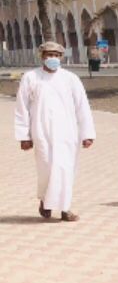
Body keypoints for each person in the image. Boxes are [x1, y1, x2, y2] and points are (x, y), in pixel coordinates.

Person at [15, 41, 96, 222]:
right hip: (41, 131)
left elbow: (82, 106)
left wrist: (87, 133)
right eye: (49, 55)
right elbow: (22, 107)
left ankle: (65, 209)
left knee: (66, 169)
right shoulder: (31, 77)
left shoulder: (70, 78)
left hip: (68, 132)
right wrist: (24, 136)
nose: (53, 58)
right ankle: (46, 201)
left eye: (56, 55)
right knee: (47, 169)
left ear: (61, 57)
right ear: (42, 56)